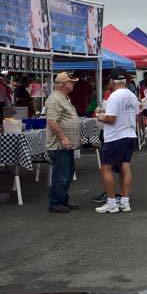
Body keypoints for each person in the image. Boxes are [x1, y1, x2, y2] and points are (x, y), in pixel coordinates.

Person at [94, 72, 139, 214]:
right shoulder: (132, 95)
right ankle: (125, 202)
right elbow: (136, 115)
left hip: (115, 136)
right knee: (125, 167)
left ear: (113, 81)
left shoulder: (114, 96)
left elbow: (112, 118)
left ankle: (111, 203)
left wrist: (100, 116)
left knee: (106, 168)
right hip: (130, 134)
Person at [45, 72, 81, 214]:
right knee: (62, 174)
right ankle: (56, 202)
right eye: (71, 82)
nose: (73, 84)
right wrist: (63, 137)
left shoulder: (62, 98)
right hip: (59, 145)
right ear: (63, 84)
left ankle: (62, 199)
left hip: (64, 144)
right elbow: (52, 121)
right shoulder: (54, 99)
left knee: (66, 172)